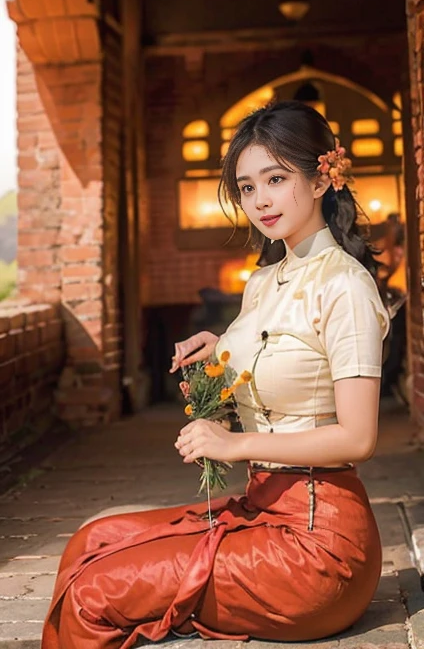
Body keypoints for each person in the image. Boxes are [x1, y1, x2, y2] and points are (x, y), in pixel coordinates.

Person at [42, 101, 389, 648]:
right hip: (262, 508)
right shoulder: (264, 282)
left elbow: (359, 436)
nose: (260, 201)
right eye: (247, 187)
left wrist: (230, 444)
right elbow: (276, 362)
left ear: (323, 177)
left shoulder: (343, 286)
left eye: (276, 179)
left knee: (96, 589)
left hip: (318, 545)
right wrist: (221, 357)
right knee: (92, 540)